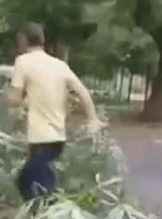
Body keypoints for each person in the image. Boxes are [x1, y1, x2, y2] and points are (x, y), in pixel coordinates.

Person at [7, 23, 101, 202]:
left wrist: (11, 98)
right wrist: (93, 119)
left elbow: (14, 99)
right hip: (57, 136)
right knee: (27, 181)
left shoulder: (23, 61)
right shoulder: (59, 65)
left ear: (24, 40)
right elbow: (83, 92)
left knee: (39, 185)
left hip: (40, 136)